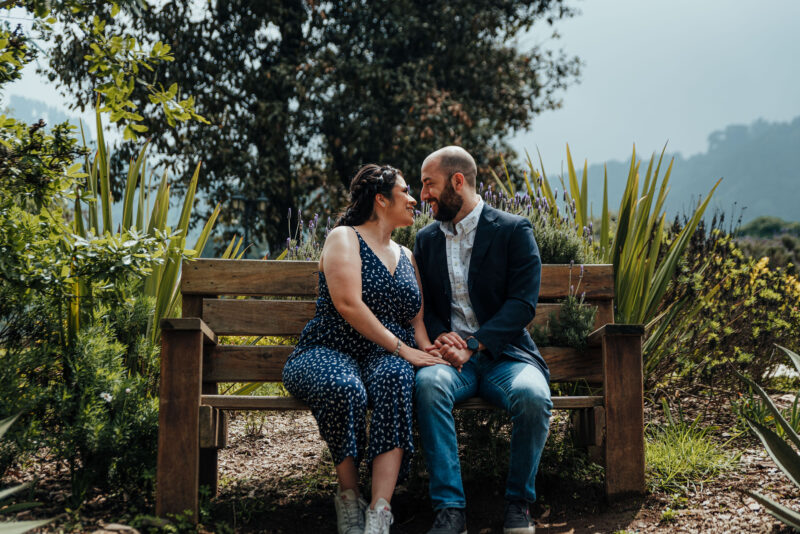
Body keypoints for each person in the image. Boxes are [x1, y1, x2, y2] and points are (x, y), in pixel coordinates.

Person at [282, 164, 448, 534]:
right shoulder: (344, 237)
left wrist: (429, 353)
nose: (413, 199)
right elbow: (348, 304)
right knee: (343, 387)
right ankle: (349, 498)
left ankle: (379, 510)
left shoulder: (406, 254)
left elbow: (416, 320)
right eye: (405, 191)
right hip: (328, 347)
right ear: (380, 199)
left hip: (383, 356)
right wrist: (403, 349)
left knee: (395, 378)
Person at [413, 146, 552, 534]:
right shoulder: (425, 240)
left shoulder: (512, 229)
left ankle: (518, 504)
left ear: (458, 181)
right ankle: (449, 510)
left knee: (533, 397)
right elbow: (426, 304)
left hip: (507, 356)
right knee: (427, 386)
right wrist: (444, 339)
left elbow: (522, 305)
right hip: (449, 360)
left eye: (429, 185)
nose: (423, 195)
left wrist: (474, 344)